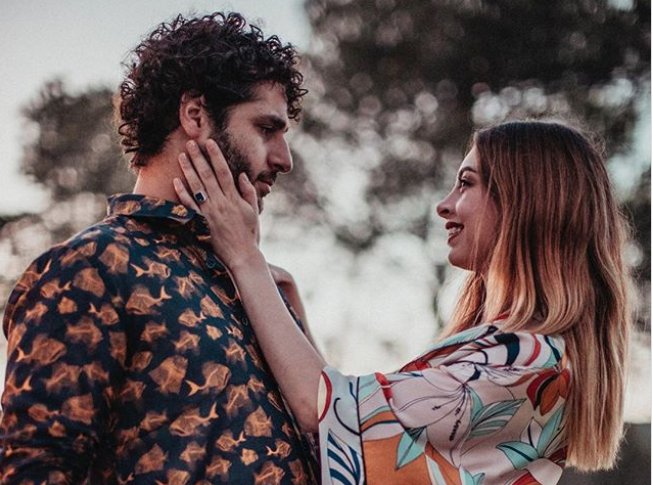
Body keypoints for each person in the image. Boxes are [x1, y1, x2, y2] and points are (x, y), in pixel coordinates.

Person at [174, 120, 632, 484]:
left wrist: (245, 258)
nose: (444, 205)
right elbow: (352, 425)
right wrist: (286, 302)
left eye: (466, 184)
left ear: (522, 203)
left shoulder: (526, 359)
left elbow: (328, 411)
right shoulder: (524, 351)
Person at [0, 12, 320, 483]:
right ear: (195, 116)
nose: (284, 159)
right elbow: (35, 469)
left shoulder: (253, 282)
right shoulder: (93, 267)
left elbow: (332, 433)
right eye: (265, 129)